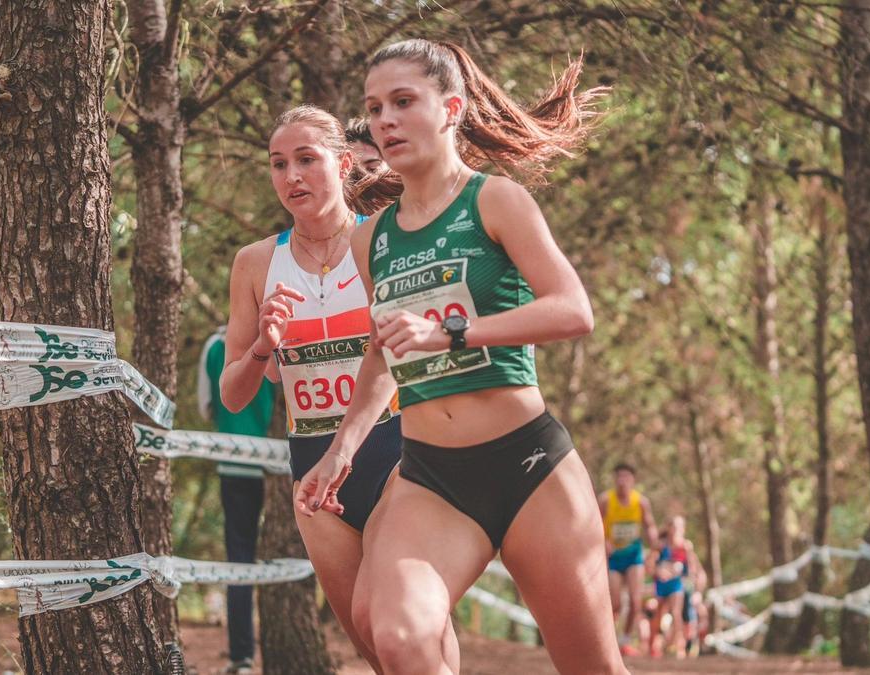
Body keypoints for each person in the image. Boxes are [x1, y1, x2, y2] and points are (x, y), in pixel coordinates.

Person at [294, 39, 623, 674]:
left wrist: (453, 333)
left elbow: (573, 310)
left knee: (594, 668)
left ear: (451, 109)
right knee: (399, 637)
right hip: (433, 480)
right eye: (375, 107)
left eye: (403, 102)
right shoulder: (370, 240)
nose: (386, 120)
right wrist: (341, 450)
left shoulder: (495, 201)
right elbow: (381, 355)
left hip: (529, 465)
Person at [218, 105, 406, 672]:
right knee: (370, 640)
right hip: (312, 467)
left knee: (403, 623)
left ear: (344, 164)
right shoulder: (254, 264)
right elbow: (233, 394)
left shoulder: (385, 242)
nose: (291, 176)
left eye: (307, 159)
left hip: (396, 449)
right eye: (279, 164)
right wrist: (263, 347)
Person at [198, 326, 277, 674]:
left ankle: (242, 656)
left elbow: (206, 406)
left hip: (234, 466)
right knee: (279, 558)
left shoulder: (214, 346)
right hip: (277, 463)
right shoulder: (279, 340)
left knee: (240, 558)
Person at [599, 462, 659, 655]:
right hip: (614, 558)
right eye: (619, 477)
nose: (623, 481)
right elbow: (595, 524)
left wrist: (654, 548)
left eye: (626, 477)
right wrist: (604, 541)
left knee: (635, 601)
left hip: (634, 556)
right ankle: (607, 641)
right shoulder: (606, 500)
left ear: (633, 480)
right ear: (615, 479)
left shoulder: (640, 502)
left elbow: (649, 526)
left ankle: (624, 641)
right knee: (615, 603)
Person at [652, 516, 702, 659]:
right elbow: (650, 564)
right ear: (668, 528)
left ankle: (679, 646)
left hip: (677, 583)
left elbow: (692, 568)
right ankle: (656, 645)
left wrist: (693, 587)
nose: (676, 530)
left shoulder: (686, 546)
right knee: (659, 613)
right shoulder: (660, 545)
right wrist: (658, 571)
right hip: (661, 584)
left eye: (679, 527)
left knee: (676, 612)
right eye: (674, 527)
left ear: (683, 530)